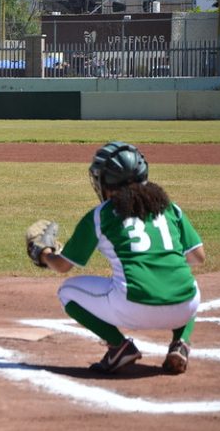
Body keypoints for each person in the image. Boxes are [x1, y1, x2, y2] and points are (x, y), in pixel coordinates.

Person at [37, 142, 205, 374]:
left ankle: (119, 346)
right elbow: (198, 257)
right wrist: (160, 263)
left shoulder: (101, 215)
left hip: (131, 308)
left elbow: (62, 266)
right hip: (184, 308)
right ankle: (181, 341)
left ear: (107, 183)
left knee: (67, 292)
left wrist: (42, 253)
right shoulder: (168, 207)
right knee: (188, 283)